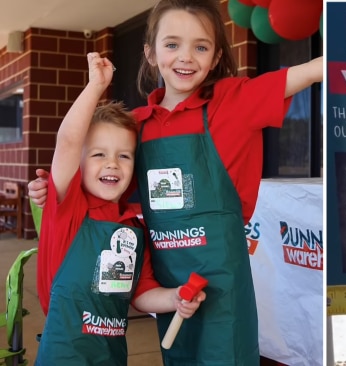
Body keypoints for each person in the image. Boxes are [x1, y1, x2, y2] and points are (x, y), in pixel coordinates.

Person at [28, 0, 323, 365]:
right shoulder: (132, 127)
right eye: (172, 44)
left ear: (216, 57)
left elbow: (310, 71)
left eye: (200, 46)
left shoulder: (234, 101)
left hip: (222, 285)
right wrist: (50, 190)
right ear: (150, 53)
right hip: (163, 277)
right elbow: (84, 165)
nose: (186, 57)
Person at [35, 52, 206, 366]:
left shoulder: (134, 228)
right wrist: (95, 87)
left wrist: (175, 298)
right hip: (63, 356)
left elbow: (141, 294)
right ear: (80, 164)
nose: (112, 163)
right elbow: (69, 141)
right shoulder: (68, 208)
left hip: (112, 357)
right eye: (99, 154)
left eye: (124, 156)